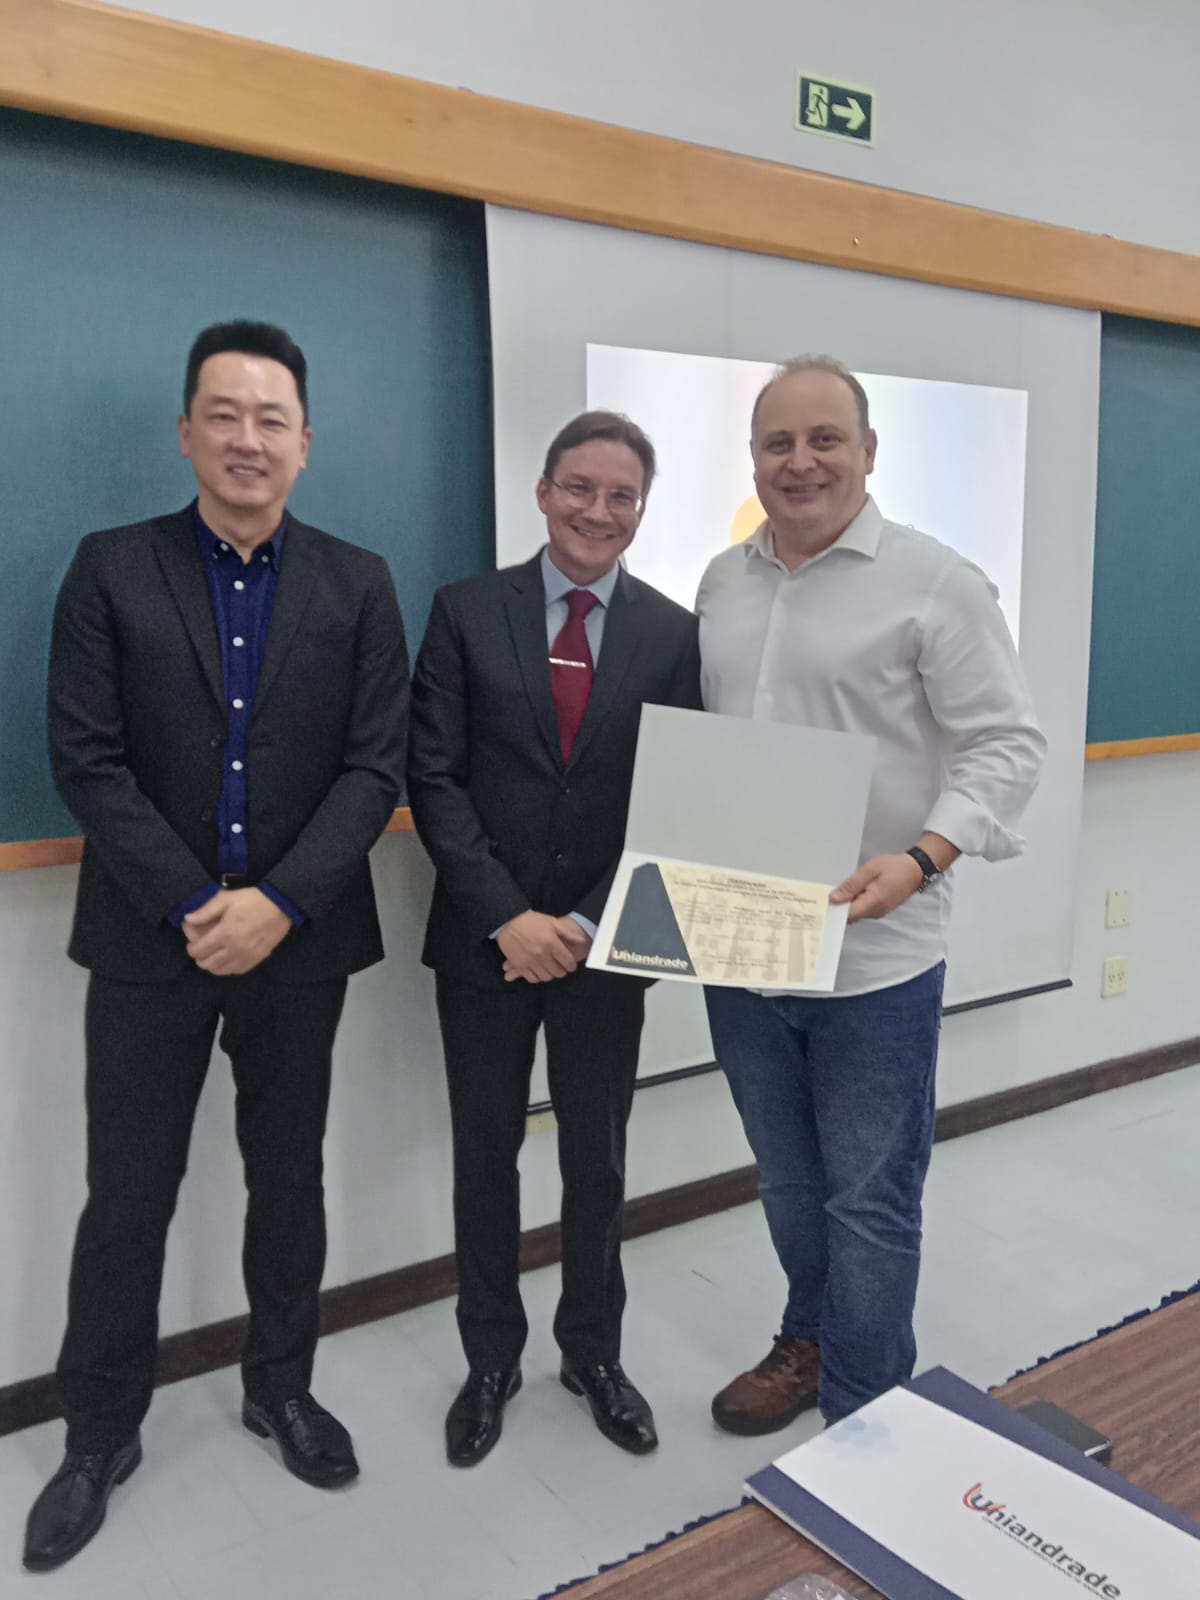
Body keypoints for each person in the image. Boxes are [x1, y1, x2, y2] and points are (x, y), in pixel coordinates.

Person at [27, 321, 410, 1571]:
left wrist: (278, 904)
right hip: (152, 939)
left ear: (306, 442)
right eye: (225, 414)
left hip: (300, 944)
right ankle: (98, 1433)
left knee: (288, 1179)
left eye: (272, 418)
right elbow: (86, 758)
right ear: (187, 431)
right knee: (127, 1195)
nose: (250, 438)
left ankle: (280, 1388)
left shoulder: (359, 582)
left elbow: (374, 768)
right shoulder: (110, 568)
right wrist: (203, 901)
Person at [696, 355, 1045, 1433]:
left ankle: (867, 1412)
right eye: (777, 442)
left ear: (869, 451)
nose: (799, 462)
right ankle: (809, 1341)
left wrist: (926, 855)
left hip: (877, 955)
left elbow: (1008, 744)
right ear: (754, 457)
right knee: (787, 1182)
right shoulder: (721, 580)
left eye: (824, 439)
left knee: (870, 1197)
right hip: (741, 941)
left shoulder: (937, 582)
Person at [407, 410, 701, 1466]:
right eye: (580, 487)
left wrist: (580, 920)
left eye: (622, 495)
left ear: (641, 510)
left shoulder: (674, 633)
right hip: (483, 940)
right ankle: (490, 1359)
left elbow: (673, 801)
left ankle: (593, 1354)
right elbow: (432, 776)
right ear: (542, 493)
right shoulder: (464, 611)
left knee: (598, 1159)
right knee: (485, 1156)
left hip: (606, 945)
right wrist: (508, 915)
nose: (598, 511)